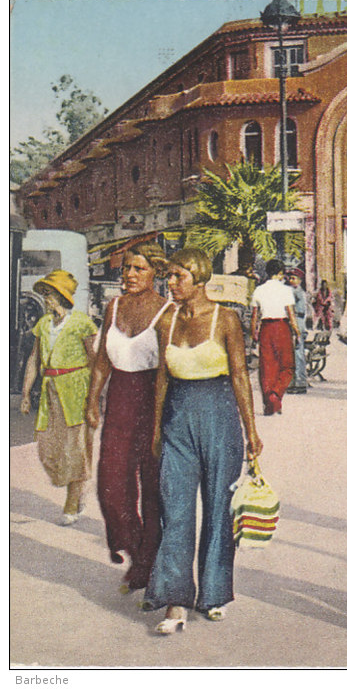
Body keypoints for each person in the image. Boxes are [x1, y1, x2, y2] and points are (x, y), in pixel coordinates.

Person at [143, 248, 262, 634]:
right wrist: (158, 428)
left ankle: (212, 594)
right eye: (169, 276)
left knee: (218, 508)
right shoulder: (167, 322)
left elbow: (242, 377)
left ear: (199, 278)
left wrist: (252, 431)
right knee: (174, 509)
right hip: (178, 418)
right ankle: (175, 601)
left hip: (219, 417)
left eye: (178, 276)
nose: (170, 283)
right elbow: (162, 377)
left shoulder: (226, 320)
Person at [85, 244, 172, 592]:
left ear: (155, 272)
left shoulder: (167, 312)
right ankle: (135, 548)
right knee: (111, 483)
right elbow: (103, 360)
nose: (130, 275)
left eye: (139, 268)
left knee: (151, 487)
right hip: (119, 401)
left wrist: (161, 421)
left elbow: (167, 370)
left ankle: (147, 565)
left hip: (153, 401)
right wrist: (93, 400)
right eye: (126, 269)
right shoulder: (113, 307)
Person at [20, 269, 98, 525]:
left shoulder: (82, 323)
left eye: (50, 294)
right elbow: (34, 358)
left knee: (75, 448)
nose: (47, 299)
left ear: (62, 296)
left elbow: (94, 359)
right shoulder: (43, 324)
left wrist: (96, 398)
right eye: (45, 294)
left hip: (76, 388)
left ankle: (72, 503)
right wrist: (25, 393)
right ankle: (79, 486)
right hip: (49, 390)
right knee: (47, 448)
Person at [251, 259, 300, 415]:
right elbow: (291, 314)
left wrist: (254, 333)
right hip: (282, 327)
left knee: (267, 366)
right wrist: (297, 332)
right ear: (280, 274)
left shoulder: (258, 290)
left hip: (266, 328)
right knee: (287, 365)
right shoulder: (286, 290)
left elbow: (254, 317)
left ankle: (269, 402)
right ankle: (276, 394)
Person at [286, 268, 309, 394]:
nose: (290, 280)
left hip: (298, 321)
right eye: (289, 278)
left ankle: (300, 382)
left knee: (298, 353)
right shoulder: (293, 291)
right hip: (294, 320)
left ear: (300, 280)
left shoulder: (298, 292)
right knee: (294, 353)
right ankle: (295, 381)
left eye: (293, 278)